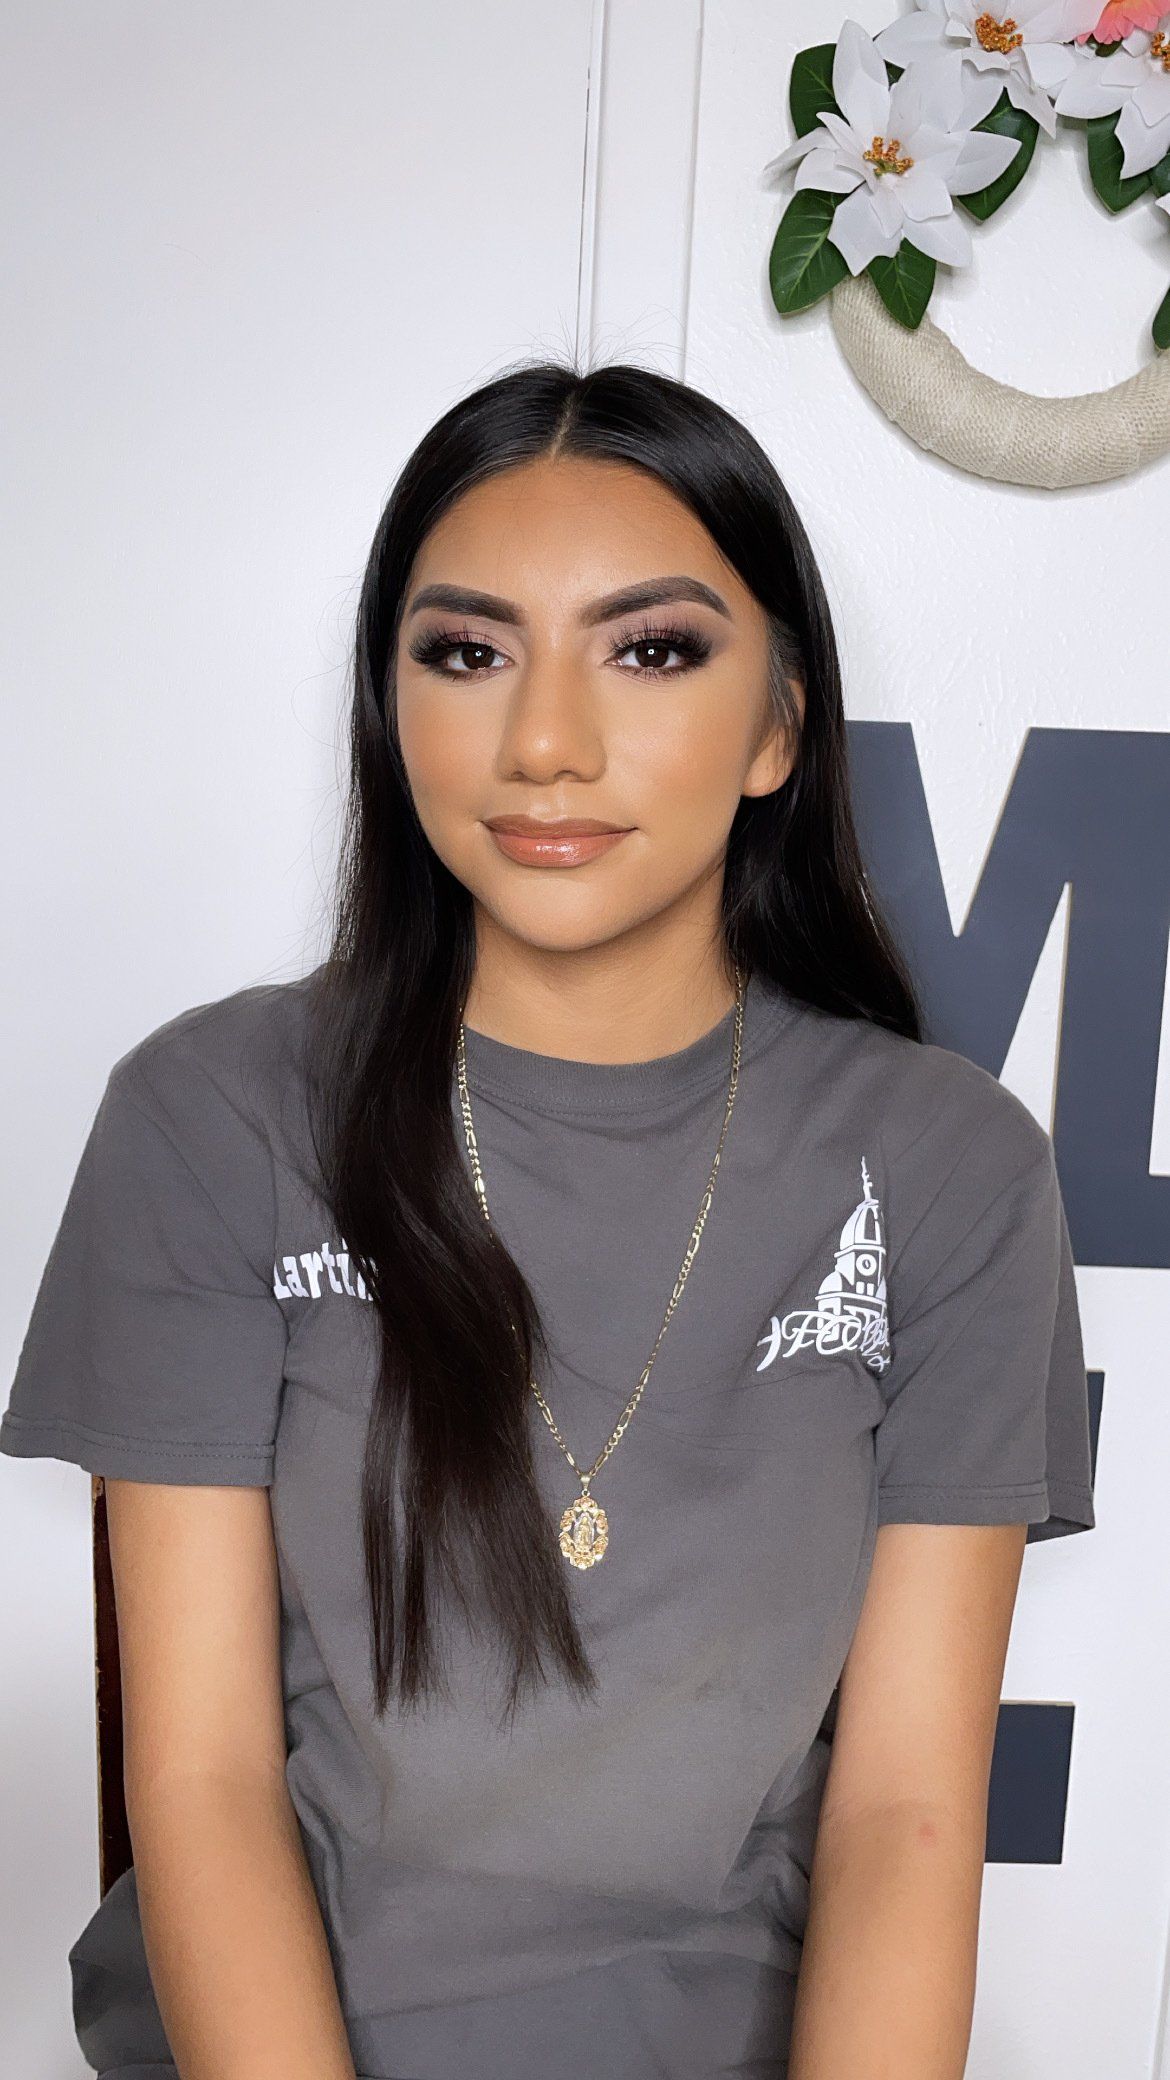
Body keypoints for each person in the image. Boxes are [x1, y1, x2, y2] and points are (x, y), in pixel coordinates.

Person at [1, 358, 1096, 2080]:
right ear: (391, 704)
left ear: (777, 732)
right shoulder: (210, 1114)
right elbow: (199, 1781)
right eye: (466, 651)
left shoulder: (946, 1163)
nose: (543, 743)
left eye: (649, 650)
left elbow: (903, 1815)